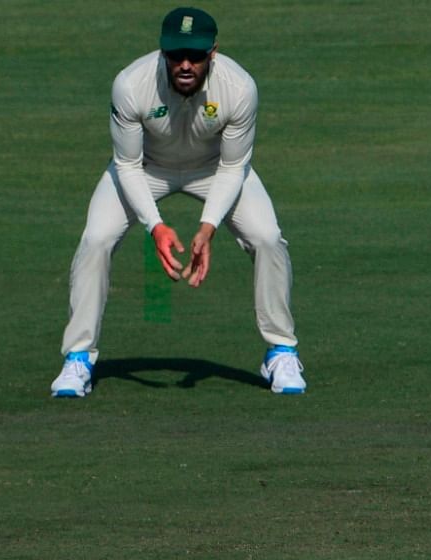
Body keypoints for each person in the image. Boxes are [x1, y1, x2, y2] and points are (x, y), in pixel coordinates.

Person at [51, 6, 307, 398]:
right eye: (175, 56)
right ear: (162, 53)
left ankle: (280, 351)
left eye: (196, 56)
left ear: (213, 53)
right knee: (96, 240)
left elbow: (234, 166)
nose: (185, 64)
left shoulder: (239, 89)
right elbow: (127, 164)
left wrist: (207, 227)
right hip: (147, 169)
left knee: (268, 237)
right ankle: (78, 359)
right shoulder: (131, 84)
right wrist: (156, 226)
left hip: (214, 169)